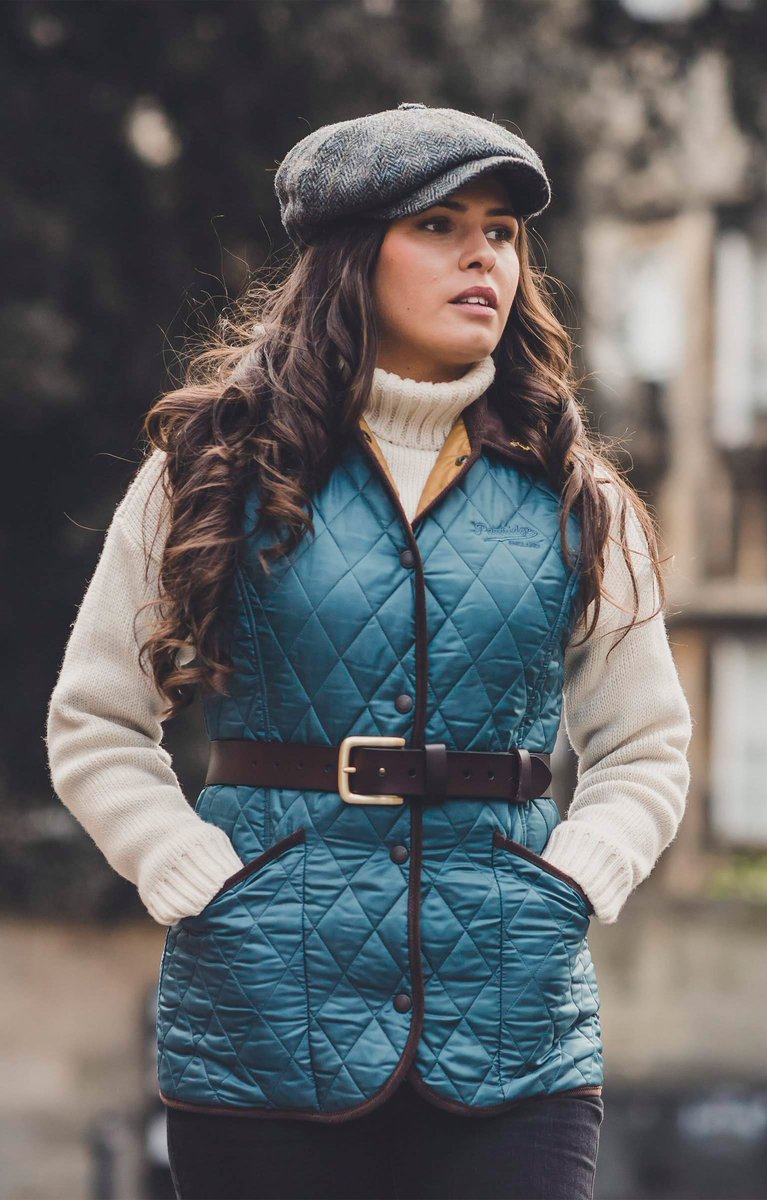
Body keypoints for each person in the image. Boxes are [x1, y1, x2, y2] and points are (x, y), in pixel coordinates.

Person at [44, 102, 693, 1200]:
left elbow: (647, 748)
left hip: (516, 1030)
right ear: (352, 257)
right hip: (257, 1016)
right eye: (439, 225)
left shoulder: (580, 495)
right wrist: (182, 867)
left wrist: (577, 878)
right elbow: (96, 720)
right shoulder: (208, 471)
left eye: (501, 230)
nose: (482, 253)